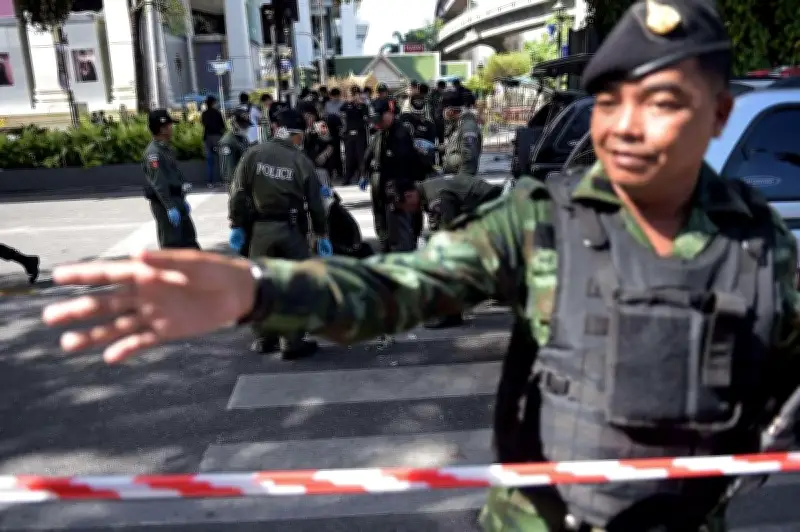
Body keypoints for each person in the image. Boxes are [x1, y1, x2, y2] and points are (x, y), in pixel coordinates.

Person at [40, 1, 800, 530]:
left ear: (720, 113)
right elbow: (402, 286)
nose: (626, 126)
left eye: (660, 100)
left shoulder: (761, 247)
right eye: (608, 101)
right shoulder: (544, 220)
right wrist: (260, 290)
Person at [228, 108, 329, 359]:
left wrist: (237, 225)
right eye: (300, 135)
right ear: (294, 134)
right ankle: (292, 342)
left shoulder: (253, 154)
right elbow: (315, 204)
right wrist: (321, 233)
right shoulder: (300, 160)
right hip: (291, 230)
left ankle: (264, 338)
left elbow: (238, 193)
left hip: (260, 231)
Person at [400, 173, 503, 329]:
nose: (408, 211)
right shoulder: (426, 189)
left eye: (405, 207)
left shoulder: (438, 199)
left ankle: (452, 314)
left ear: (409, 195)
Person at [362, 97, 427, 253]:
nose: (376, 124)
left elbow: (407, 168)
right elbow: (369, 154)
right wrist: (365, 174)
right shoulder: (380, 133)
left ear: (389, 114)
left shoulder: (401, 136)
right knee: (383, 224)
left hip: (399, 192)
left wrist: (400, 192)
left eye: (379, 119)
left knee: (401, 235)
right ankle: (386, 246)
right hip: (382, 188)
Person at [142, 109, 199, 250]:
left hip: (176, 199)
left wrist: (182, 197)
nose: (171, 128)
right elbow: (159, 183)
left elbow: (175, 173)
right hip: (165, 204)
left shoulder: (166, 149)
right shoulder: (153, 153)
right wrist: (170, 207)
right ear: (161, 128)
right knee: (171, 245)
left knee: (189, 240)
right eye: (169, 125)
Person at [440, 89, 482, 175]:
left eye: (444, 109)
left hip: (461, 178)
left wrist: (463, 181)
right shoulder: (457, 125)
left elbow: (469, 156)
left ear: (451, 111)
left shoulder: (468, 126)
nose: (442, 112)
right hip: (453, 175)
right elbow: (457, 146)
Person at [218, 105, 252, 190]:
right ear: (234, 123)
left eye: (246, 125)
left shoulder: (243, 138)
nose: (245, 128)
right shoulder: (227, 142)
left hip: (245, 181)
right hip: (236, 184)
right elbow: (229, 168)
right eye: (242, 125)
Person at [340, 85, 369, 185]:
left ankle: (362, 176)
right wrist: (350, 102)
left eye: (357, 94)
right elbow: (342, 112)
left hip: (360, 134)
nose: (355, 96)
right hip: (349, 134)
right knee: (349, 157)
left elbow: (366, 119)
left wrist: (359, 104)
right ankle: (347, 177)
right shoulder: (346, 105)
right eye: (353, 94)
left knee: (361, 156)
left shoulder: (363, 106)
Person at [201, 95, 226, 188]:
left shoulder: (204, 113)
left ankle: (210, 182)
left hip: (207, 137)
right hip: (217, 136)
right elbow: (223, 126)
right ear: (213, 103)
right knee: (221, 159)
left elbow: (203, 124)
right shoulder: (217, 113)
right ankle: (222, 180)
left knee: (209, 160)